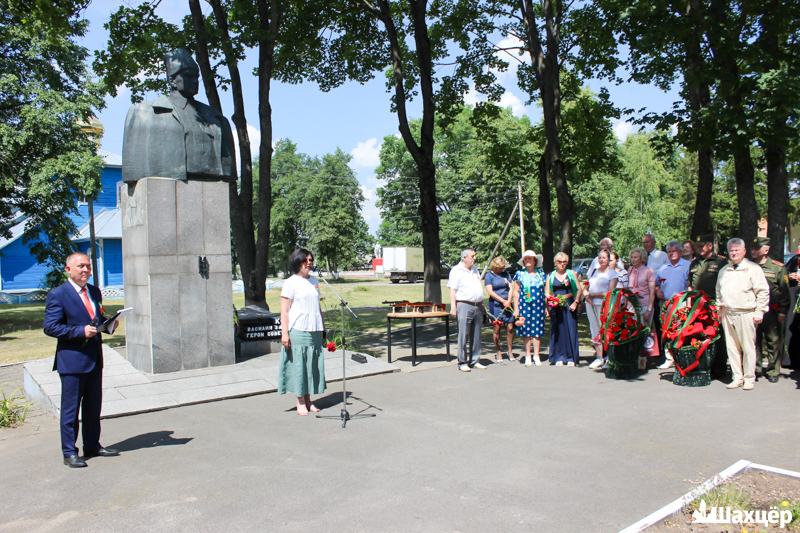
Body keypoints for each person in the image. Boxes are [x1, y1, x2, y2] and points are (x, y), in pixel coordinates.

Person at [43, 252, 120, 468]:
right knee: (70, 410)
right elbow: (50, 327)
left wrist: (110, 324)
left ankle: (92, 445)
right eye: (80, 266)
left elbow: (97, 319)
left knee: (93, 407)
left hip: (95, 359)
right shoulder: (58, 294)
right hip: (72, 361)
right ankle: (70, 452)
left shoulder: (94, 291)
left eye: (87, 266)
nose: (85, 270)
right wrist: (80, 331)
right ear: (68, 269)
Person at [122, 48, 236, 183]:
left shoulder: (216, 119)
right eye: (188, 75)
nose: (195, 81)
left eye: (196, 76)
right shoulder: (143, 115)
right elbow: (133, 167)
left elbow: (228, 166)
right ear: (172, 80)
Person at [716, 238, 769, 390]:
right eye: (731, 250)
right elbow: (719, 291)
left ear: (744, 251)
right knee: (732, 347)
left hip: (746, 313)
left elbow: (763, 292)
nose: (733, 253)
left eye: (736, 250)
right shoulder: (724, 270)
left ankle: (749, 378)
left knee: (748, 347)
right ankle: (737, 377)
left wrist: (760, 312)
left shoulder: (753, 269)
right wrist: (719, 308)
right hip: (727, 312)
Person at [279, 248, 327, 415]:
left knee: (311, 366)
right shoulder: (290, 282)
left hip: (314, 329)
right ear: (297, 262)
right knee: (299, 366)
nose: (309, 263)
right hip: (298, 329)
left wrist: (323, 328)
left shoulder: (314, 281)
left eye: (311, 260)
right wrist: (284, 333)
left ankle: (308, 400)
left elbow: (318, 307)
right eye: (306, 260)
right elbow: (284, 311)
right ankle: (300, 401)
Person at [750, 237, 790, 382]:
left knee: (773, 341)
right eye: (752, 248)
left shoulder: (777, 268)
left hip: (772, 311)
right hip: (752, 310)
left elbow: (784, 292)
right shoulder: (749, 266)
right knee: (754, 340)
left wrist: (782, 311)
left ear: (766, 250)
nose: (753, 251)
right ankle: (756, 368)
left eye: (756, 248)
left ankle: (773, 370)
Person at [449, 249, 486, 372]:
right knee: (463, 334)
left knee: (476, 335)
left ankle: (475, 360)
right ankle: (462, 362)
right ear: (464, 257)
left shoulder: (475, 269)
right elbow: (452, 290)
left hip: (478, 305)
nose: (474, 258)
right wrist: (453, 307)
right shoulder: (456, 270)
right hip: (464, 304)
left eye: (474, 256)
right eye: (472, 256)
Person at [655, 241, 690, 369]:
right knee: (666, 330)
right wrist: (657, 291)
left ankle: (681, 357)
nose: (671, 254)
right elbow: (657, 284)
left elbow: (691, 284)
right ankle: (669, 358)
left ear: (680, 252)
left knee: (681, 330)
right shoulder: (662, 268)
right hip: (666, 304)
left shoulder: (688, 266)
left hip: (682, 304)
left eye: (674, 251)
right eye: (669, 252)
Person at [545, 252, 583, 366]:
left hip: (569, 305)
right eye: (559, 262)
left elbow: (579, 290)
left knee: (570, 330)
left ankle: (571, 358)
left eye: (564, 262)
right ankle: (559, 357)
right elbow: (547, 292)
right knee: (557, 331)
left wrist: (576, 303)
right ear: (555, 263)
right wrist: (550, 300)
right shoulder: (550, 275)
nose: (562, 264)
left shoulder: (571, 273)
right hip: (555, 306)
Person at [585, 249, 618, 369]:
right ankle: (599, 357)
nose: (601, 259)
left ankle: (609, 358)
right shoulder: (593, 271)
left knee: (606, 330)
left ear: (608, 259)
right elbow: (586, 285)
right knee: (594, 329)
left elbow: (610, 292)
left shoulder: (612, 273)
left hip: (604, 304)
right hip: (590, 304)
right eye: (600, 257)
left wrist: (593, 295)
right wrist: (586, 295)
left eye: (604, 257)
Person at [513, 250, 546, 366]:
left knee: (537, 330)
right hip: (524, 305)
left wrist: (546, 307)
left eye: (530, 258)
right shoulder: (519, 274)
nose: (527, 260)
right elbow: (516, 292)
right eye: (525, 259)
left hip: (538, 305)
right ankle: (528, 354)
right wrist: (516, 309)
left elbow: (545, 291)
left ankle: (536, 355)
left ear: (535, 261)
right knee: (526, 330)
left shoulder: (540, 273)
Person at [484, 256, 515, 363]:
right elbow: (490, 292)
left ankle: (510, 351)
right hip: (496, 305)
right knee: (497, 328)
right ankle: (498, 351)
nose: (502, 269)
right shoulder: (489, 276)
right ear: (495, 266)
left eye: (503, 267)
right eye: (500, 268)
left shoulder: (506, 274)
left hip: (508, 305)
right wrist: (502, 301)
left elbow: (511, 287)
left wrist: (509, 300)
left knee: (510, 327)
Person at [688, 233, 727, 298]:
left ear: (710, 246)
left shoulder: (720, 262)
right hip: (695, 301)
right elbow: (690, 284)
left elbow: (725, 284)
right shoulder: (694, 262)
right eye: (697, 246)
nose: (699, 248)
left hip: (712, 301)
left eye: (701, 246)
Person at [785, 244, 800, 369]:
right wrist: (789, 276)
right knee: (792, 327)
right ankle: (790, 360)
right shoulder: (795, 259)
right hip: (794, 297)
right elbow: (785, 271)